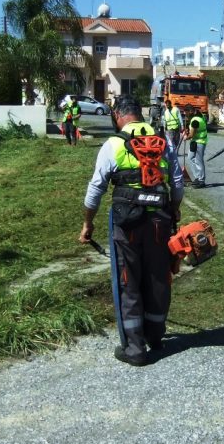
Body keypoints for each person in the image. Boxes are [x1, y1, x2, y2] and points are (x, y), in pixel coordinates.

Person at [79, 96, 184, 366]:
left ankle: (135, 349)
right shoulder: (163, 141)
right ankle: (155, 336)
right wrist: (175, 208)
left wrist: (88, 223)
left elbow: (96, 189)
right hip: (160, 220)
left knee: (128, 279)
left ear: (118, 116)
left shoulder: (113, 144)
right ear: (140, 114)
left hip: (127, 224)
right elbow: (177, 181)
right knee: (158, 277)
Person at [186, 112, 208, 188]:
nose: (186, 116)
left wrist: (186, 137)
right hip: (194, 142)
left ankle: (201, 180)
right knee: (190, 158)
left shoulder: (195, 121)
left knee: (199, 160)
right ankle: (197, 177)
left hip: (200, 142)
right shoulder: (199, 118)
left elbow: (192, 134)